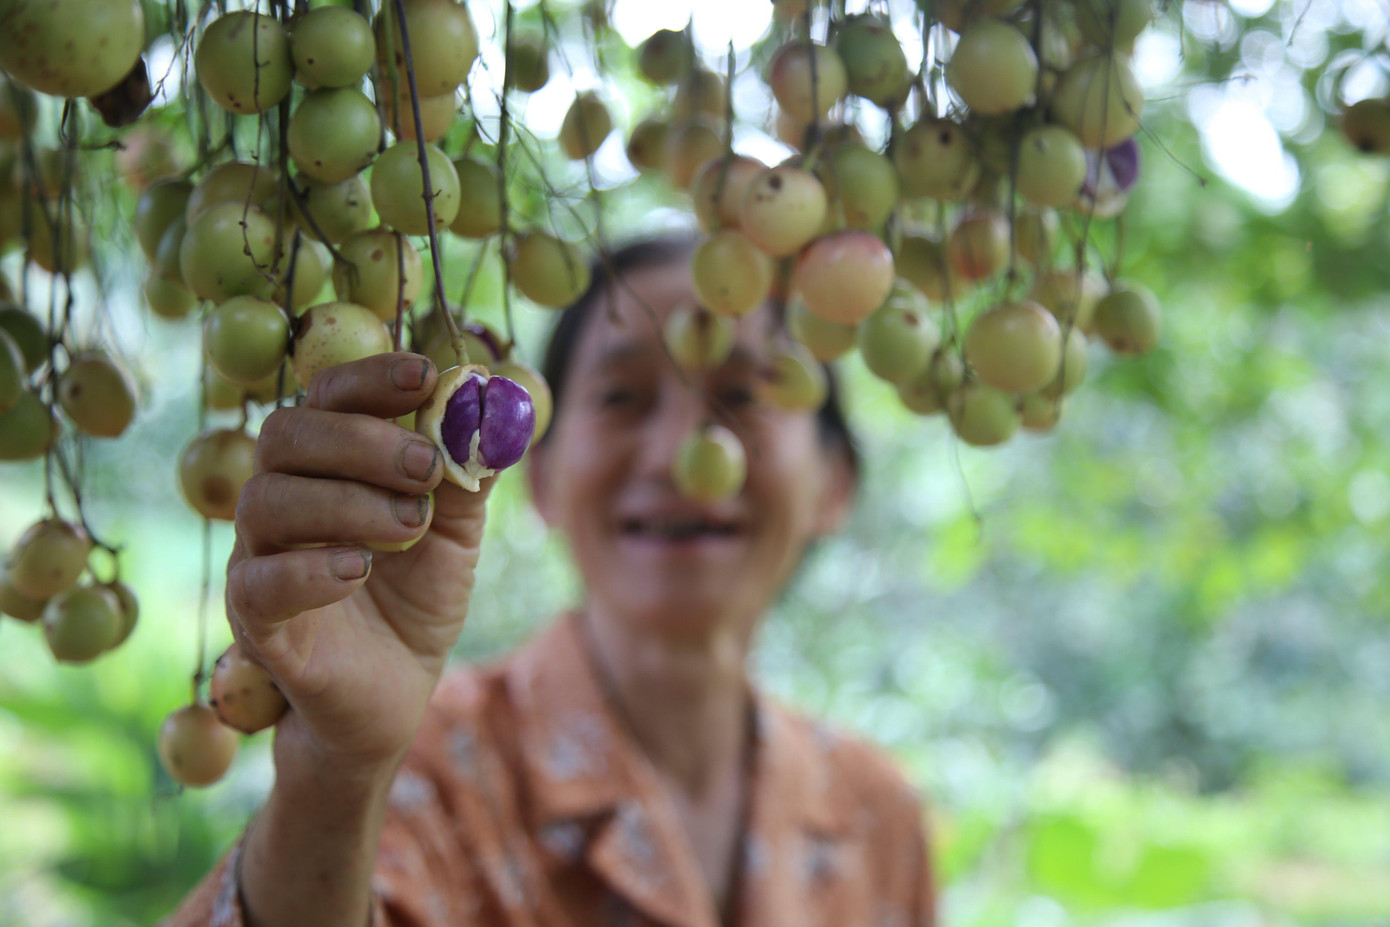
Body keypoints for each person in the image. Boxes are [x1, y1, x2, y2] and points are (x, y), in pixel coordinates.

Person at [165, 236, 937, 927]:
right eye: (622, 396)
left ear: (834, 481)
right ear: (538, 474)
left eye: (739, 394)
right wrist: (337, 772)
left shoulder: (878, 811)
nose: (680, 452)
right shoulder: (418, 769)